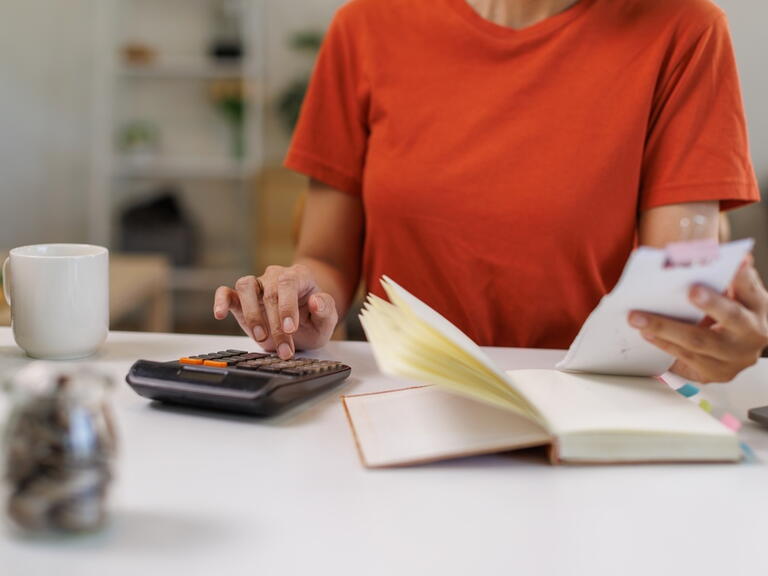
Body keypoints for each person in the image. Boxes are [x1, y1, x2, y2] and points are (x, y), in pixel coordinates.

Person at [214, 0, 768, 383]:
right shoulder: (366, 25)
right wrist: (306, 301)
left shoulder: (684, 29)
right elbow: (326, 259)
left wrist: (709, 336)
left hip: (588, 401)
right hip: (400, 396)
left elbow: (673, 287)